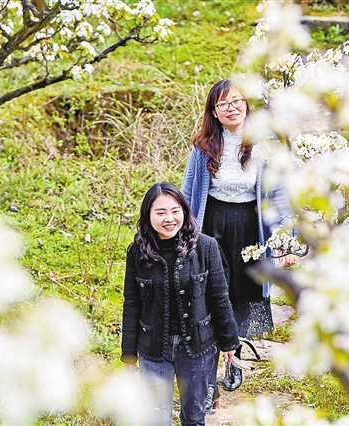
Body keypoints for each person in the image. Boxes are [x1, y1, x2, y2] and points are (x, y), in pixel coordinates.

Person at [181, 79, 297, 409]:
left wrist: (285, 243)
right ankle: (209, 381)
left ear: (247, 105)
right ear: (214, 113)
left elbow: (278, 196)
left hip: (250, 227)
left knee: (239, 296)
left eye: (237, 101)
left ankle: (230, 354)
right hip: (212, 225)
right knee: (208, 297)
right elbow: (189, 194)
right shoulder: (203, 147)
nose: (231, 108)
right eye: (223, 104)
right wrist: (184, 235)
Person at [121, 182, 239, 426]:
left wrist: (229, 343)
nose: (169, 218)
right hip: (153, 348)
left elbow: (219, 297)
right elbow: (131, 305)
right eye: (160, 212)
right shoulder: (137, 253)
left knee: (194, 417)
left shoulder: (206, 247)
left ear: (184, 212)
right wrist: (129, 355)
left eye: (175, 211)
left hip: (197, 347)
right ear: (148, 215)